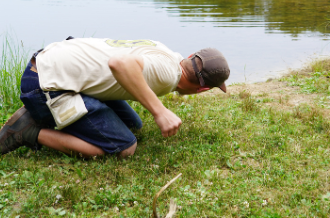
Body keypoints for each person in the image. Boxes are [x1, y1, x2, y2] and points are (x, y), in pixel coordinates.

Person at [0, 37, 230, 158]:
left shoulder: (166, 53)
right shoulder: (168, 74)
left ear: (190, 57)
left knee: (133, 125)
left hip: (48, 62)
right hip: (44, 84)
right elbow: (119, 64)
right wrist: (160, 112)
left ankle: (64, 116)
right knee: (123, 147)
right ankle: (29, 131)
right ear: (203, 90)